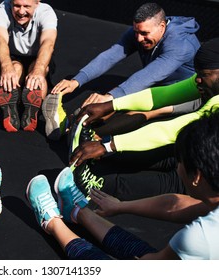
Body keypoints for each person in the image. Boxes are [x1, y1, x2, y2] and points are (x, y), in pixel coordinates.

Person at [27, 112, 219, 259]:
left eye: (180, 162)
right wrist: (121, 206)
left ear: (197, 176)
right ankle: (79, 212)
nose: (177, 167)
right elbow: (179, 205)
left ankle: (52, 223)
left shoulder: (201, 237)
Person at [44, 2, 200, 140]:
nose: (139, 39)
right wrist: (77, 80)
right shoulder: (142, 30)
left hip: (189, 95)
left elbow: (150, 75)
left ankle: (93, 136)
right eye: (136, 32)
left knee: (139, 106)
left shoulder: (180, 44)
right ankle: (74, 122)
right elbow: (110, 56)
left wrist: (110, 98)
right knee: (118, 97)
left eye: (144, 34)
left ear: (162, 27)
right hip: (159, 85)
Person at [70, 37, 219, 172]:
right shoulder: (203, 79)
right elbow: (160, 96)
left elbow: (172, 130)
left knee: (178, 172)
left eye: (204, 75)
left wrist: (107, 146)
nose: (197, 80)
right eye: (197, 74)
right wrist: (110, 105)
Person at [0, 0, 57, 132]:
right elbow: (0, 40)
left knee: (38, 75)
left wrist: (39, 70)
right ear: (10, 3)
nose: (21, 12)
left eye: (26, 6)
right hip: (13, 56)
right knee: (14, 69)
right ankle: (17, 110)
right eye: (17, 6)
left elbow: (48, 42)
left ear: (37, 3)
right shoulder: (1, 10)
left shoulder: (47, 12)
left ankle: (32, 111)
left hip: (38, 56)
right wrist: (6, 67)